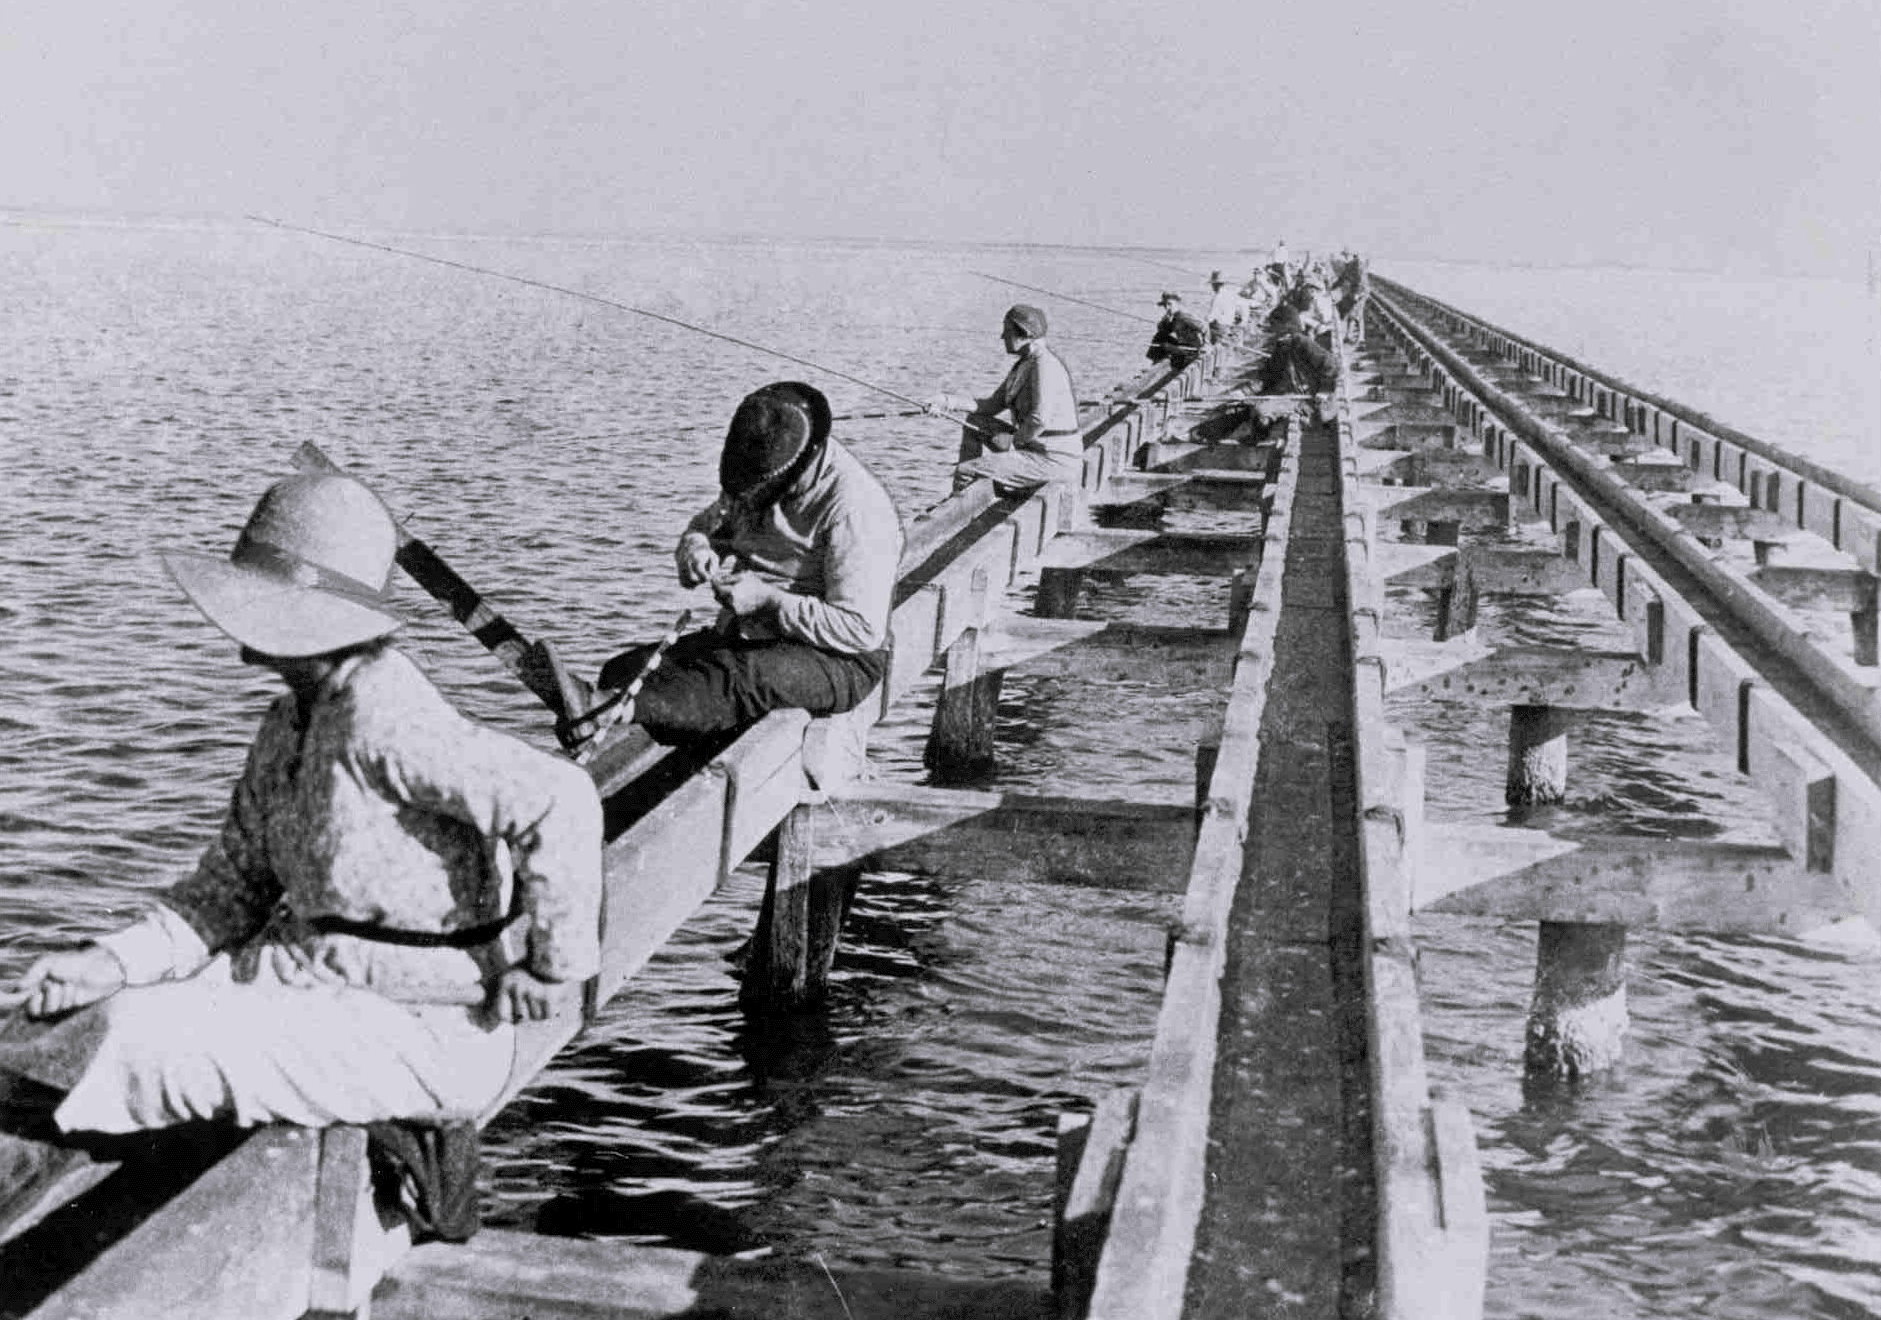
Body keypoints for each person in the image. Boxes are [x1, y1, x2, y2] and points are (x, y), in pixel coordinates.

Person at [1, 473, 603, 1137]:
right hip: (311, 993)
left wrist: (552, 967)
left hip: (422, 1032)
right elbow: (223, 894)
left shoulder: (389, 718)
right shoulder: (287, 726)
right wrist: (107, 963)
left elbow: (561, 798)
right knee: (46, 1019)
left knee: (137, 1035)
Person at [575, 381, 902, 750]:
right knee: (627, 670)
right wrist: (695, 551)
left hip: (841, 660)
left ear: (805, 465)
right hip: (750, 636)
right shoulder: (757, 473)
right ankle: (611, 727)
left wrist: (769, 602)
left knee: (738, 678)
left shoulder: (856, 509)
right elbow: (704, 528)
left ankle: (618, 713)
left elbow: (861, 630)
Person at [927, 304, 1083, 496]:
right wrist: (947, 402)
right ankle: (969, 494)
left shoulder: (1045, 366)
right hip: (1034, 447)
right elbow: (990, 406)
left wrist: (1012, 440)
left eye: (1006, 331)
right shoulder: (1026, 363)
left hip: (1053, 460)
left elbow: (1040, 420)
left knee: (965, 469)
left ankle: (955, 510)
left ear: (1024, 334)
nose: (1002, 337)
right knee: (974, 422)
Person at [1146, 292, 1208, 372]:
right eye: (1165, 305)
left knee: (1164, 345)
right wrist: (1165, 319)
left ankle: (1158, 365)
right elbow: (1163, 331)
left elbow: (1205, 327)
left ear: (1177, 304)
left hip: (1191, 350)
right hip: (1182, 346)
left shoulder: (1184, 316)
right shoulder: (1175, 317)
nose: (1167, 307)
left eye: (1170, 304)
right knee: (1160, 336)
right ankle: (1154, 363)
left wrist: (1206, 345)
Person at [1205, 271, 1243, 344]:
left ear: (1215, 285)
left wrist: (1205, 321)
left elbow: (1211, 317)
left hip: (1219, 328)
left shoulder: (1217, 297)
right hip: (1228, 326)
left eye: (1213, 284)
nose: (1212, 287)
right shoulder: (1230, 294)